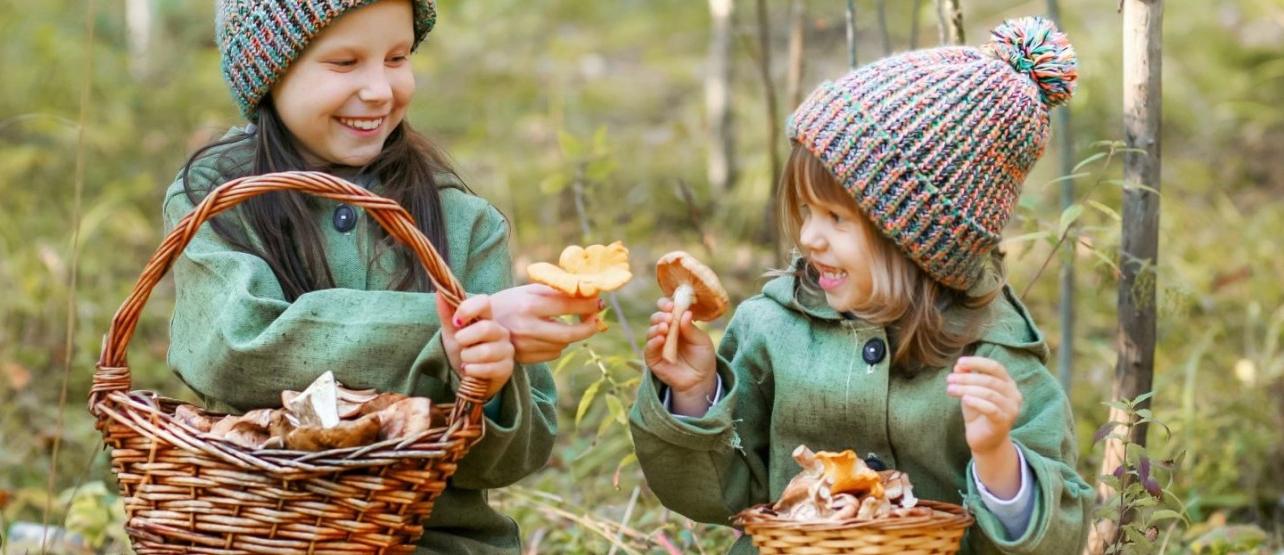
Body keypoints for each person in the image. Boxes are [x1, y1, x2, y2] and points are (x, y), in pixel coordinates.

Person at [629, 17, 1095, 554]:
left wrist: (997, 458)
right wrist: (693, 396)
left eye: (836, 217)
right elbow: (722, 493)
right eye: (806, 211)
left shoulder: (993, 356)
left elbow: (1060, 537)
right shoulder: (772, 327)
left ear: (918, 236)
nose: (809, 237)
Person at [163, 1, 600, 552]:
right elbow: (231, 348)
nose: (379, 90)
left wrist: (485, 384)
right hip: (259, 527)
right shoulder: (215, 197)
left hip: (430, 538)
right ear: (268, 72)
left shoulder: (463, 223)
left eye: (397, 57)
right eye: (345, 62)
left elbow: (515, 457)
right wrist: (435, 333)